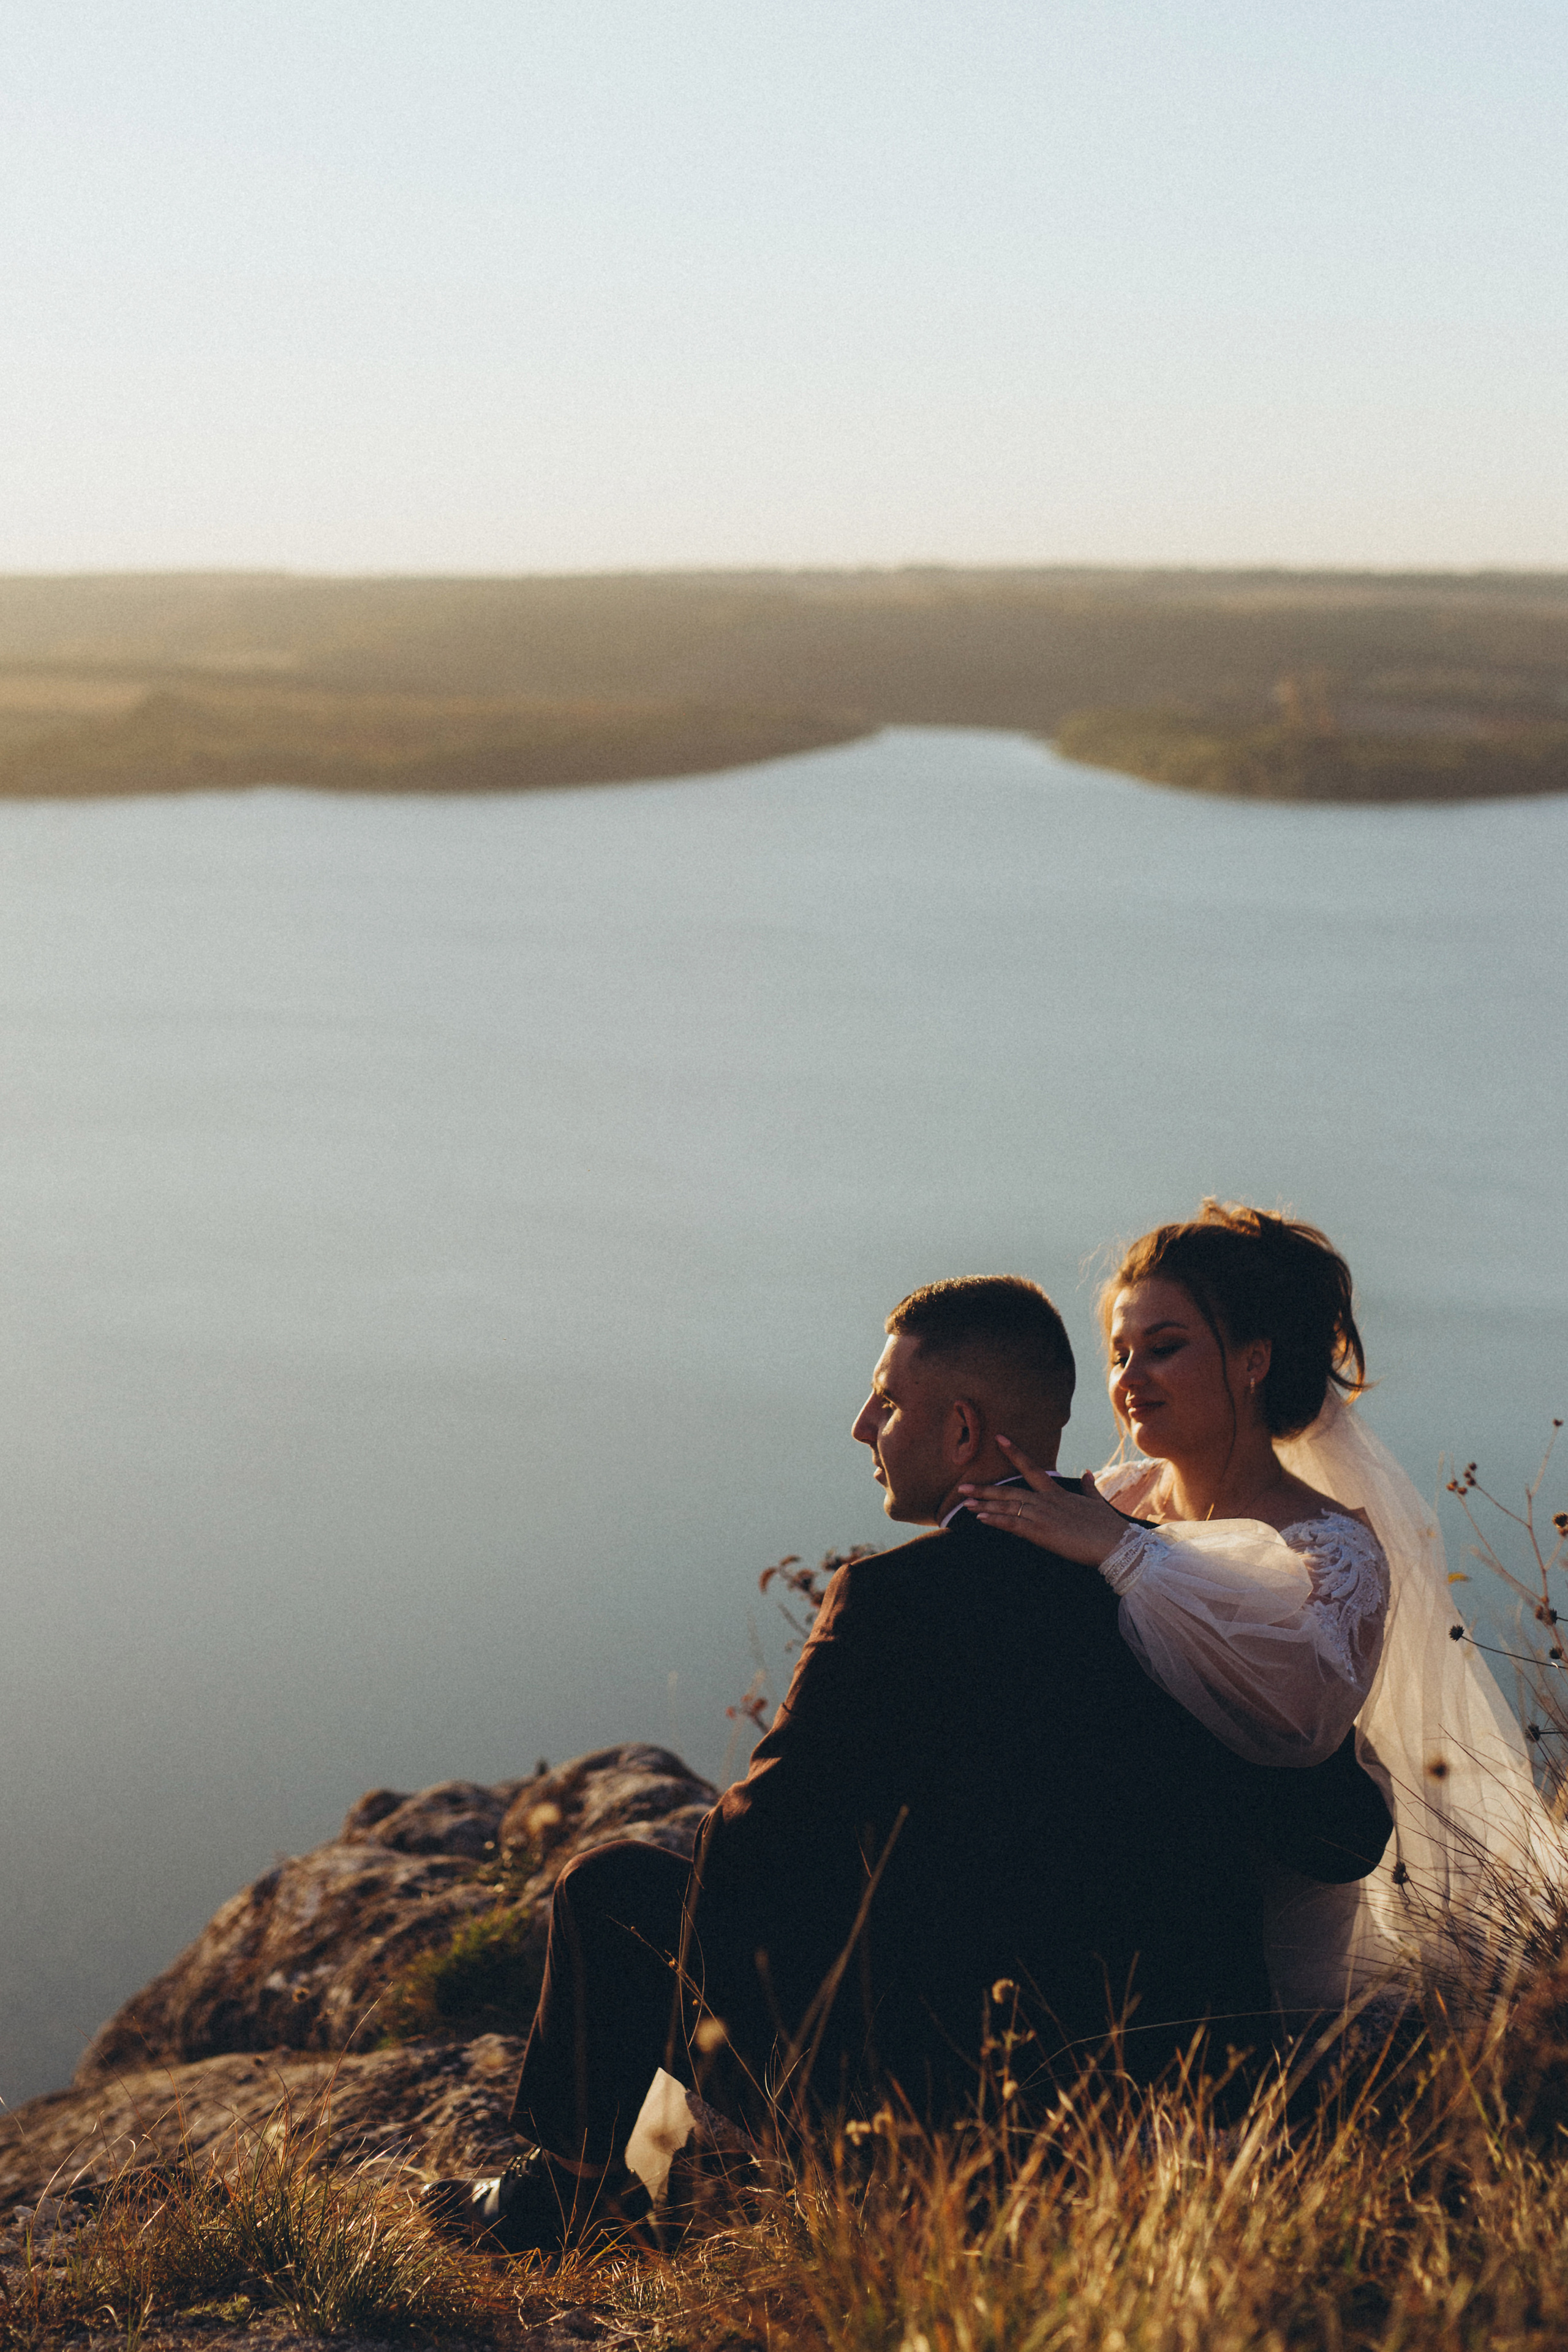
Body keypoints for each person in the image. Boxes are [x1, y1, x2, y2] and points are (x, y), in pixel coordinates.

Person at [422, 1274, 1390, 2252]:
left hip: (938, 2101)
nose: (860, 1426)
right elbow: (1343, 1831)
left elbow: (745, 1864)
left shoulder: (893, 1601)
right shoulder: (1176, 1589)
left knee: (613, 1891)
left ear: (963, 1432)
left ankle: (574, 2199)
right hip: (1154, 2080)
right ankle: (628, 2179)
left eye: (886, 1403)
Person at [960, 1202, 1552, 2010]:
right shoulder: (1108, 1499)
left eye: (1164, 1349)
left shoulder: (1333, 1550)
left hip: (1260, 1939)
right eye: (1119, 1353)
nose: (1129, 1381)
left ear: (1254, 1361)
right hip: (1081, 1900)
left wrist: (1130, 1554)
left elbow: (1299, 1721)